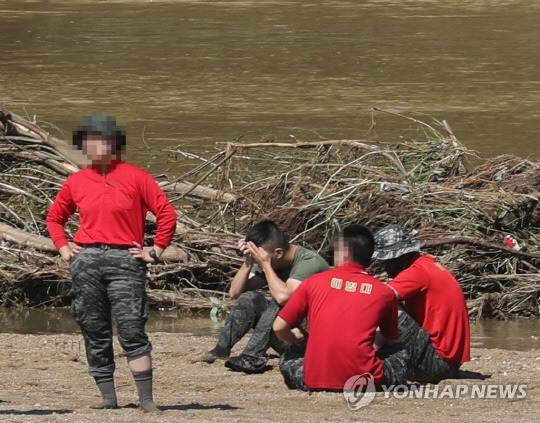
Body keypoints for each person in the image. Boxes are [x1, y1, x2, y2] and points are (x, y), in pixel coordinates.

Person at [46, 114, 177, 412]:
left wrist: (155, 251)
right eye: (90, 140)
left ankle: (146, 400)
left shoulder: (136, 176)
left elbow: (166, 214)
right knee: (94, 327)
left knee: (132, 327)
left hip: (125, 260)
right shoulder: (76, 180)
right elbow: (55, 218)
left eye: (103, 139)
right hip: (86, 260)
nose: (96, 145)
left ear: (115, 143)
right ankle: (108, 398)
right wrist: (65, 250)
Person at [273, 224, 409, 391]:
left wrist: (296, 340)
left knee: (288, 357)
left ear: (344, 252)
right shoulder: (384, 292)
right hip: (364, 381)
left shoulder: (313, 282)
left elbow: (279, 327)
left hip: (314, 381)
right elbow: (389, 339)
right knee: (400, 350)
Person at [198, 220, 329, 374]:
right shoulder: (270, 258)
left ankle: (252, 357)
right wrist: (248, 260)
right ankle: (221, 349)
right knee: (250, 298)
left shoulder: (309, 262)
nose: (259, 260)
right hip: (287, 334)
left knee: (278, 303)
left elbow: (284, 298)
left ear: (278, 253)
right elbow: (234, 293)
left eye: (258, 255)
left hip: (310, 339)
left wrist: (265, 265)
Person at [372, 224, 471, 383]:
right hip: (448, 361)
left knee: (388, 305)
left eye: (386, 261)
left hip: (440, 363)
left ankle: (366, 354)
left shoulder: (417, 272)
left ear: (397, 258)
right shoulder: (426, 264)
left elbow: (375, 298)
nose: (385, 266)